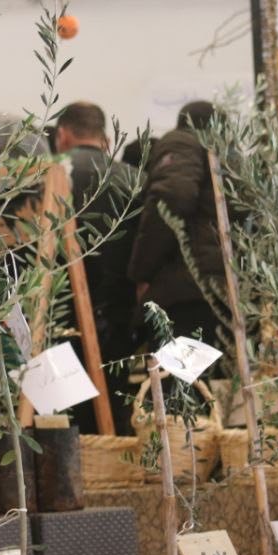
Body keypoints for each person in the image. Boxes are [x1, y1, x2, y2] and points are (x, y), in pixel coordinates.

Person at [54, 101, 140, 433]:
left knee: (66, 413)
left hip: (60, 311)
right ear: (105, 137)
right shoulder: (134, 178)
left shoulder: (50, 174)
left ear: (62, 134)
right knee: (114, 404)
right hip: (119, 312)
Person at [127, 101, 226, 345]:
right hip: (225, 293)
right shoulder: (232, 158)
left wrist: (142, 272)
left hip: (186, 288)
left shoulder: (182, 142)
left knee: (180, 369)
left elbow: (172, 198)